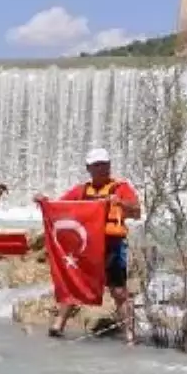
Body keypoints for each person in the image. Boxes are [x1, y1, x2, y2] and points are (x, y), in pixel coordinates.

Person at [35, 147, 141, 344]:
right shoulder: (81, 190)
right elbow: (59, 207)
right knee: (74, 280)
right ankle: (59, 324)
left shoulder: (121, 187)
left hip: (112, 244)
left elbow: (137, 211)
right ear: (89, 168)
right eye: (97, 165)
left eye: (105, 164)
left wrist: (120, 203)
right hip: (88, 246)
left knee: (118, 290)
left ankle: (130, 334)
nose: (102, 169)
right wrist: (44, 202)